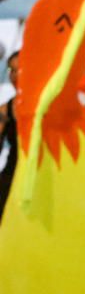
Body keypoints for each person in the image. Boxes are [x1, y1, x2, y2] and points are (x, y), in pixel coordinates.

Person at [0, 51, 19, 221]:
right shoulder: (6, 108)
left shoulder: (48, 106)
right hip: (13, 173)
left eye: (20, 70)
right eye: (11, 70)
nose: (15, 76)